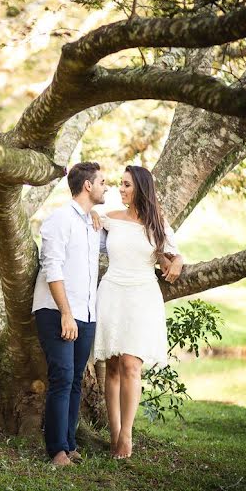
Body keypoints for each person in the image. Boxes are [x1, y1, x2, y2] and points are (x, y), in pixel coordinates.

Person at [92, 165, 184, 459]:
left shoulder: (157, 222)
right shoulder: (111, 220)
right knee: (113, 365)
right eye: (119, 184)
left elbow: (172, 252)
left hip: (142, 295)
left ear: (140, 189)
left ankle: (127, 436)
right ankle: (114, 433)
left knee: (132, 364)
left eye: (126, 185)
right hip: (112, 292)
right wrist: (94, 215)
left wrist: (176, 261)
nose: (120, 189)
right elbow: (89, 218)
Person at [32, 162, 108, 466]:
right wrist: (65, 313)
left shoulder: (92, 223)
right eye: (103, 182)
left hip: (86, 314)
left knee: (76, 378)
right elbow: (52, 268)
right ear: (87, 185)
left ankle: (70, 443)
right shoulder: (59, 220)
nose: (107, 187)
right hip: (57, 311)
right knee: (62, 377)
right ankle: (56, 451)